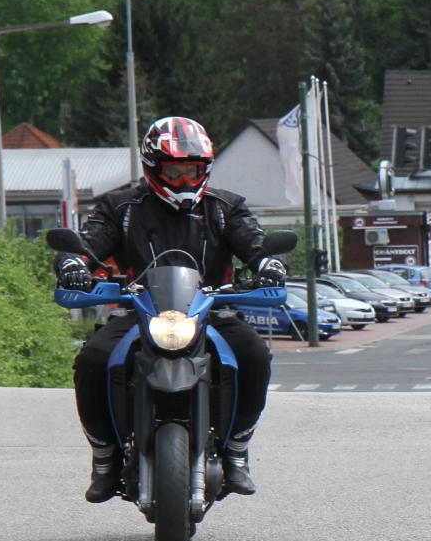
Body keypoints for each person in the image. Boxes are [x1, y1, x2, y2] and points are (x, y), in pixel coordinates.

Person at [57, 117, 284, 502]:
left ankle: (237, 450)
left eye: (192, 170)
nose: (183, 180)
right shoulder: (121, 207)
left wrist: (270, 264)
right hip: (139, 310)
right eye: (174, 171)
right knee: (92, 361)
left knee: (255, 356)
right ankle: (105, 457)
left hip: (212, 311)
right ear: (152, 167)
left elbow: (255, 243)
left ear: (205, 169)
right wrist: (72, 264)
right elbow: (89, 242)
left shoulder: (226, 207)